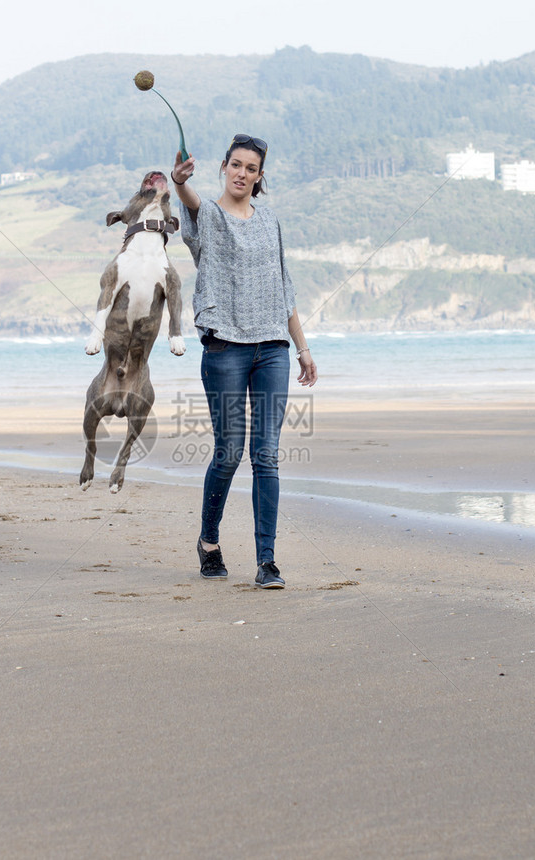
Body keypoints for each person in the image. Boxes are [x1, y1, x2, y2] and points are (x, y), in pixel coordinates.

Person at [171, 134, 318, 590]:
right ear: (224, 167)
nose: (242, 173)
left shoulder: (269, 219)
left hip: (272, 346)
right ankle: (209, 542)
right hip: (225, 348)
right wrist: (179, 184)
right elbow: (193, 207)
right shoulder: (209, 217)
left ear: (259, 176)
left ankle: (267, 562)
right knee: (229, 451)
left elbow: (284, 285)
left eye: (251, 168)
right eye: (235, 164)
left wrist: (303, 347)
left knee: (267, 455)